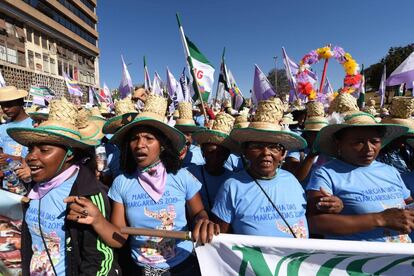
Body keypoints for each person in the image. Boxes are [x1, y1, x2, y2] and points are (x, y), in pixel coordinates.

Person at [65, 94, 219, 275]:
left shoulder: (181, 176)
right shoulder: (121, 184)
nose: (140, 145)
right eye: (134, 139)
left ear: (162, 145)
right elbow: (119, 237)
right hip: (139, 270)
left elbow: (198, 212)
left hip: (183, 267)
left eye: (149, 138)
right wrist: (97, 219)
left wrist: (203, 221)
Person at [7, 98, 118, 275]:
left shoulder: (87, 195)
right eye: (30, 149)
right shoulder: (35, 188)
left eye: (44, 150)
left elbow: (98, 260)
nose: (30, 157)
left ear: (69, 154)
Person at [307, 110, 414, 242]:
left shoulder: (390, 171)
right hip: (360, 259)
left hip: (400, 258)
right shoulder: (326, 174)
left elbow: (407, 203)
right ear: (338, 143)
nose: (369, 149)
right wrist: (380, 219)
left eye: (374, 141)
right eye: (358, 142)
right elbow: (315, 223)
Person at [213, 98, 313, 238]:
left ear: (283, 154)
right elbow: (220, 239)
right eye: (257, 146)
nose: (266, 153)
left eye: (274, 147)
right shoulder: (232, 187)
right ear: (245, 152)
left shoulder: (292, 180)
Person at [188, 112, 236, 214]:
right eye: (211, 152)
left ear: (227, 156)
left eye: (221, 153)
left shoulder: (234, 180)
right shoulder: (189, 174)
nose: (215, 157)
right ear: (203, 152)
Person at [283, 101, 329, 187]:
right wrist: (311, 156)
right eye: (315, 134)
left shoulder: (329, 148)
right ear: (307, 134)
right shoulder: (297, 148)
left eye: (322, 133)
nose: (319, 137)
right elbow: (297, 176)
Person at [0, 86, 33, 194]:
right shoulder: (2, 128)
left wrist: (12, 158)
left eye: (9, 105)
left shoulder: (33, 125)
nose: (5, 109)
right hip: (8, 184)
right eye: (2, 105)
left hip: (29, 183)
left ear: (20, 102)